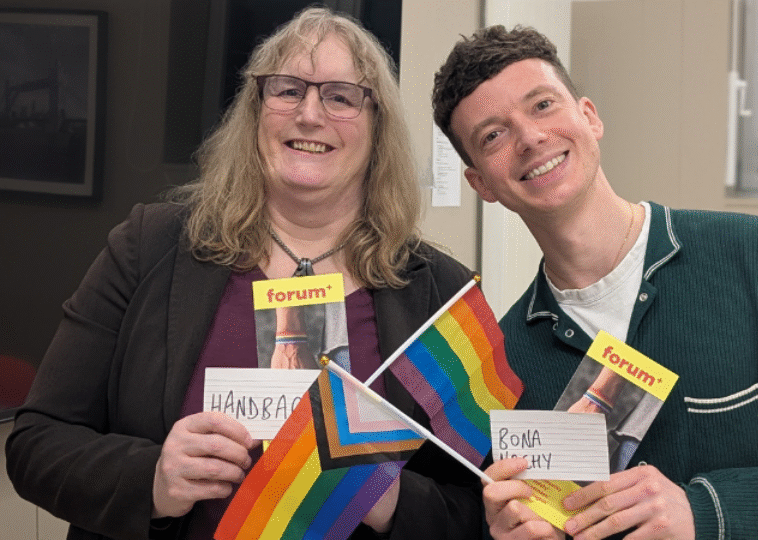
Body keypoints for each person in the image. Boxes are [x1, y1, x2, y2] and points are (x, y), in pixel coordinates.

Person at [6, 8, 480, 540]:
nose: (309, 114)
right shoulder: (150, 246)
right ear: (255, 111)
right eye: (287, 90)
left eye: (341, 96)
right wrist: (153, 478)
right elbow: (36, 443)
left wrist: (390, 499)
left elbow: (480, 510)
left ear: (378, 128)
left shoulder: (440, 291)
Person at [432, 24, 758, 540]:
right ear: (481, 184)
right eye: (493, 135)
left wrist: (705, 512)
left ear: (589, 117)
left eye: (542, 105)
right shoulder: (504, 365)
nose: (530, 138)